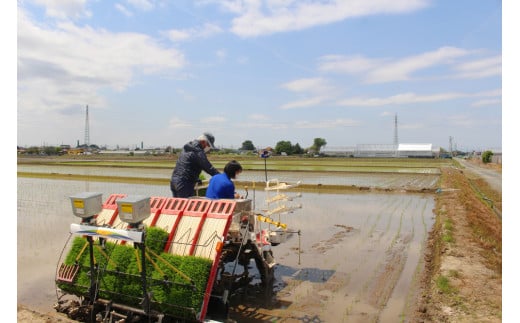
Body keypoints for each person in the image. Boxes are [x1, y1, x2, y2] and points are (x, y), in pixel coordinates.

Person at [170, 133, 220, 198]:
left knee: (177, 206)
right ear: (203, 142)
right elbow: (209, 168)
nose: (207, 147)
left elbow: (187, 165)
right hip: (184, 184)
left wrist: (196, 178)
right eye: (208, 145)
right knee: (185, 206)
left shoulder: (187, 148)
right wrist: (222, 177)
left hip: (174, 181)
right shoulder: (198, 151)